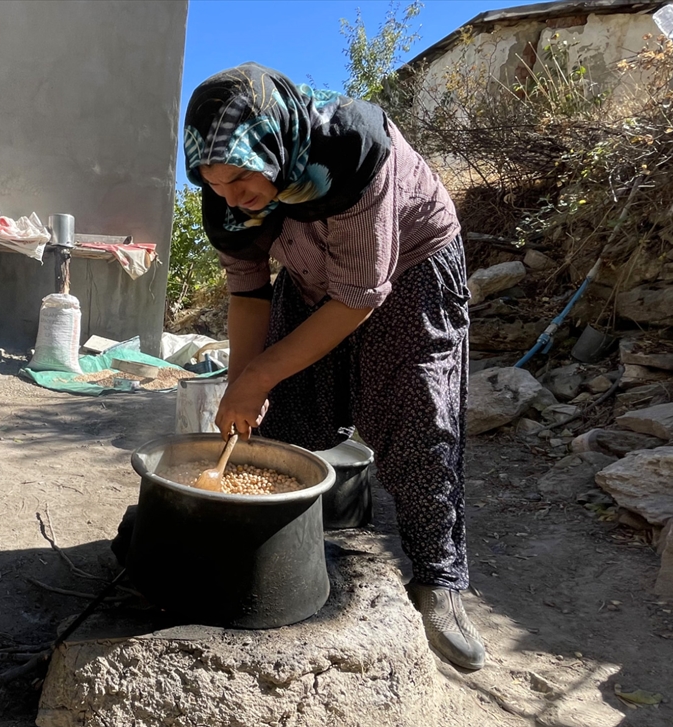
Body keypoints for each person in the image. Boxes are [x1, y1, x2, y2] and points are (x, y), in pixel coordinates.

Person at [184, 63, 485, 670]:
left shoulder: (352, 151)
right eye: (217, 186)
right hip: (313, 272)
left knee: (415, 415)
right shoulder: (225, 196)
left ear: (272, 142)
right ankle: (275, 547)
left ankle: (438, 583)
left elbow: (358, 295)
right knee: (283, 415)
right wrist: (246, 387)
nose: (232, 197)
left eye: (242, 178)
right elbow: (248, 291)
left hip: (409, 271)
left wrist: (260, 374)